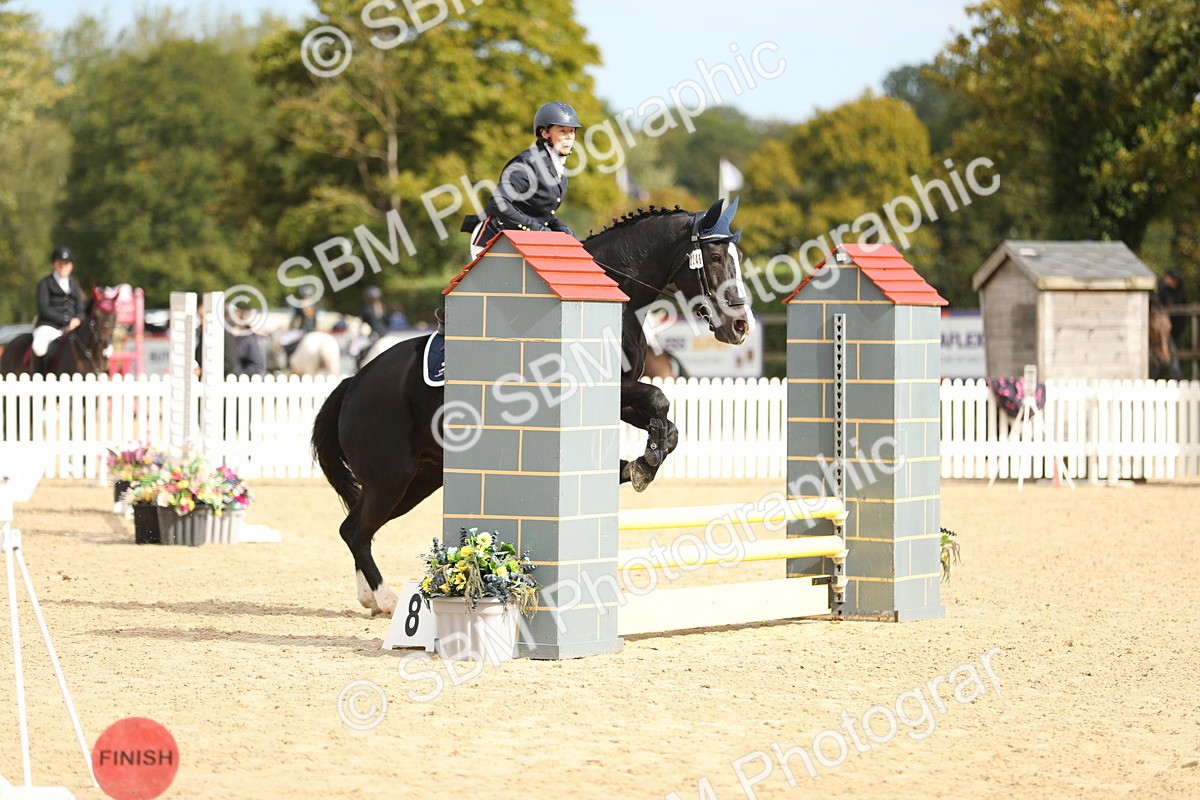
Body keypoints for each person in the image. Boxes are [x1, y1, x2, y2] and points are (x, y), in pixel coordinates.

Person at [465, 101, 581, 257]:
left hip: (524, 242)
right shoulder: (527, 164)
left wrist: (560, 227)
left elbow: (538, 211)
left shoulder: (558, 167)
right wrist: (538, 230)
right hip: (493, 242)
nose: (569, 137)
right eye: (562, 131)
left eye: (572, 131)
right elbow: (498, 203)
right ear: (545, 133)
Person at [32, 245, 86, 370]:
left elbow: (80, 308)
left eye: (66, 263)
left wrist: (77, 319)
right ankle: (38, 376)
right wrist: (66, 321)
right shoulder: (45, 283)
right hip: (49, 326)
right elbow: (44, 308)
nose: (63, 266)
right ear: (54, 264)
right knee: (39, 347)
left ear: (71, 266)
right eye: (60, 263)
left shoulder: (74, 285)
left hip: (72, 328)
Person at [1156, 269, 1189, 346]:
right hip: (1164, 327)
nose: (1175, 281)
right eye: (1173, 279)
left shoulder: (1180, 290)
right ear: (1166, 278)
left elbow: (1183, 302)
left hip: (1176, 327)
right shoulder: (1160, 288)